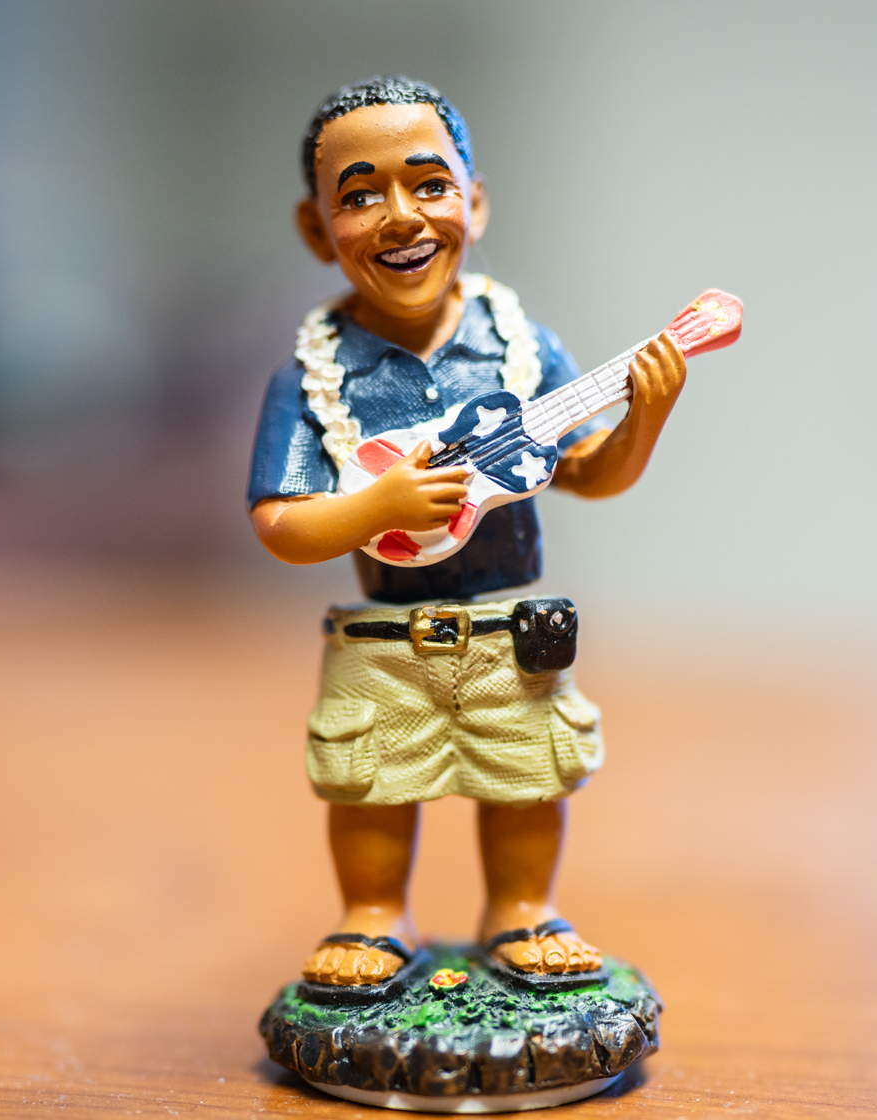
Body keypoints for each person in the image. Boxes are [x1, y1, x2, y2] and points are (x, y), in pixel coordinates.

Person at [247, 76, 686, 995]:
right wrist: (377, 506)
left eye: (430, 184)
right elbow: (280, 521)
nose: (402, 217)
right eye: (360, 196)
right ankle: (374, 914)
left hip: (507, 630)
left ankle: (521, 910)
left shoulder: (521, 347)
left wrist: (642, 420)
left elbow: (586, 470)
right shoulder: (311, 374)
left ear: (475, 204)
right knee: (371, 782)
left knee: (526, 774)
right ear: (315, 228)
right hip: (385, 638)